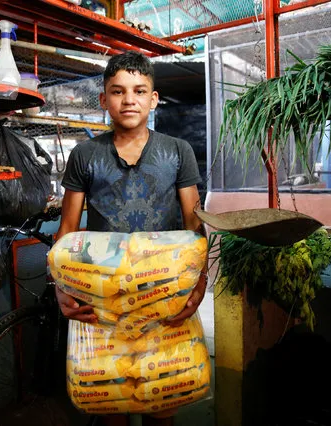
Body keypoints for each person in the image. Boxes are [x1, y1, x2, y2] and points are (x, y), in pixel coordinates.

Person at [54, 51, 207, 426]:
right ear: (104, 99)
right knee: (112, 402)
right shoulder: (85, 155)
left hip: (165, 291)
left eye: (140, 91)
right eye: (118, 91)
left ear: (153, 99)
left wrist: (199, 282)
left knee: (161, 398)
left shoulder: (177, 151)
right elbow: (68, 229)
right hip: (103, 295)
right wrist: (61, 286)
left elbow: (194, 222)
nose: (129, 100)